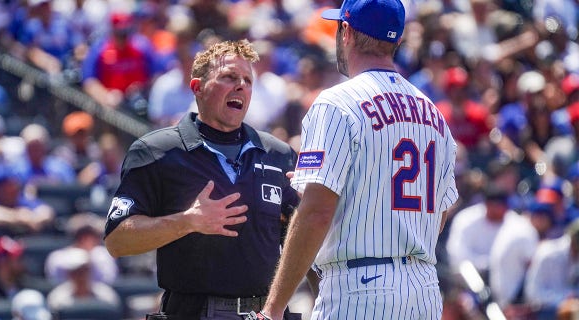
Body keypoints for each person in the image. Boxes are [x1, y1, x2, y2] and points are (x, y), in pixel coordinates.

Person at [257, 0, 459, 319]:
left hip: (360, 286)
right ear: (396, 41)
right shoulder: (432, 112)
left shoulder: (336, 103)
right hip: (424, 288)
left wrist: (272, 309)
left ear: (347, 32)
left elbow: (316, 212)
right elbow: (441, 211)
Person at [104, 39, 303, 319]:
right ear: (197, 88)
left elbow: (302, 237)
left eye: (247, 80)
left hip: (267, 313)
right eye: (229, 77)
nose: (241, 86)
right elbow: (117, 241)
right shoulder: (156, 150)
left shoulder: (278, 154)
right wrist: (187, 221)